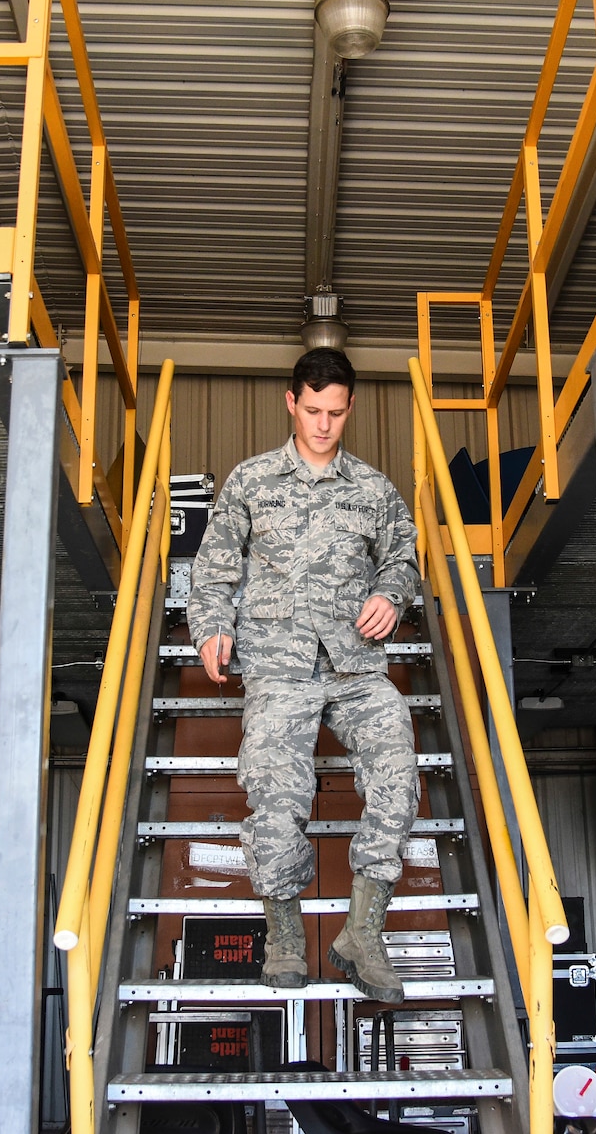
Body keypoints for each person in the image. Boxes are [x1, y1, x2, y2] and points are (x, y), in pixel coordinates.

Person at [187, 347, 421, 1001]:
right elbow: (213, 568)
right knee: (274, 792)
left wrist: (390, 596)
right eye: (313, 410)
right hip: (277, 662)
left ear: (350, 409)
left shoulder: (374, 489)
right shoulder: (252, 481)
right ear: (291, 402)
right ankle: (285, 933)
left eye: (336, 412)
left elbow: (403, 560)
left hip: (354, 661)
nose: (323, 424)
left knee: (400, 772)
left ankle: (362, 931)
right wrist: (210, 627)